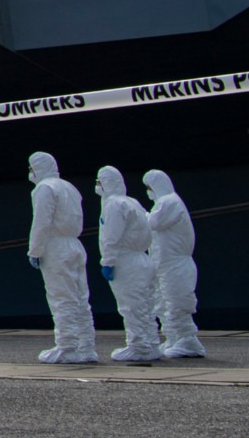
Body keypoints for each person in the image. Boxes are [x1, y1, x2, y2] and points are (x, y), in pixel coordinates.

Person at [26, 152, 97, 363]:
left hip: (55, 247)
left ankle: (67, 348)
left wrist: (34, 251)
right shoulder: (69, 187)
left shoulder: (44, 189)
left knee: (61, 298)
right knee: (80, 299)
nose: (30, 173)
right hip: (75, 244)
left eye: (31, 168)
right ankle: (87, 347)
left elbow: (41, 222)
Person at [95, 166, 161, 361]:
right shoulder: (133, 202)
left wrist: (108, 261)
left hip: (126, 261)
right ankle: (151, 344)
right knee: (146, 305)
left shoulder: (113, 205)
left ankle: (139, 347)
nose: (97, 186)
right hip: (143, 259)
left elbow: (111, 237)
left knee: (131, 306)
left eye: (99, 182)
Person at [143, 169, 205, 358]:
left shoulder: (169, 202)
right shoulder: (162, 203)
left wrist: (138, 214)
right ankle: (174, 337)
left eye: (148, 187)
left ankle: (187, 340)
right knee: (163, 302)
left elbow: (154, 223)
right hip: (164, 264)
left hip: (175, 264)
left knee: (176, 301)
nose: (148, 191)